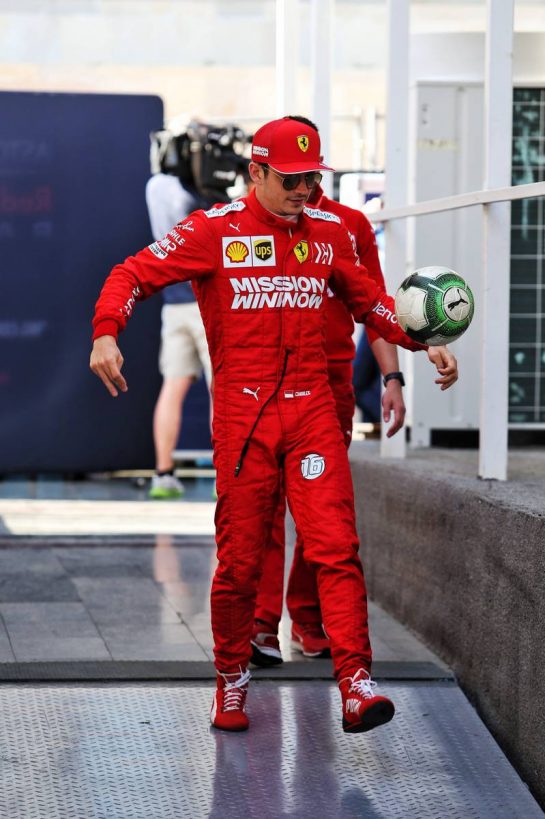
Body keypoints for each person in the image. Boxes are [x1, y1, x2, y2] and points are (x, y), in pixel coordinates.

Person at [90, 116, 458, 735]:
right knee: (239, 560)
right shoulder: (214, 231)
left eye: (312, 179)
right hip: (244, 414)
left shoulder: (329, 234)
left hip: (313, 407)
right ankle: (232, 679)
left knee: (336, 546)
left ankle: (356, 683)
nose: (305, 192)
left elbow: (370, 301)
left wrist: (424, 342)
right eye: (290, 180)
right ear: (256, 173)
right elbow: (132, 272)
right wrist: (106, 331)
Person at [251, 126, 407, 663]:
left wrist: (392, 378)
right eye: (294, 170)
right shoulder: (249, 221)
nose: (305, 179)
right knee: (264, 506)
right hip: (262, 386)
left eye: (313, 168)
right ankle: (260, 624)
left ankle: (308, 617)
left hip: (330, 384)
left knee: (321, 514)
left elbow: (376, 305)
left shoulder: (350, 226)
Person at [146, 129, 216, 499]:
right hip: (205, 305)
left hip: (172, 304)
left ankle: (163, 473)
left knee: (172, 388)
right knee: (219, 390)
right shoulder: (197, 195)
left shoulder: (154, 188)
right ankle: (227, 476)